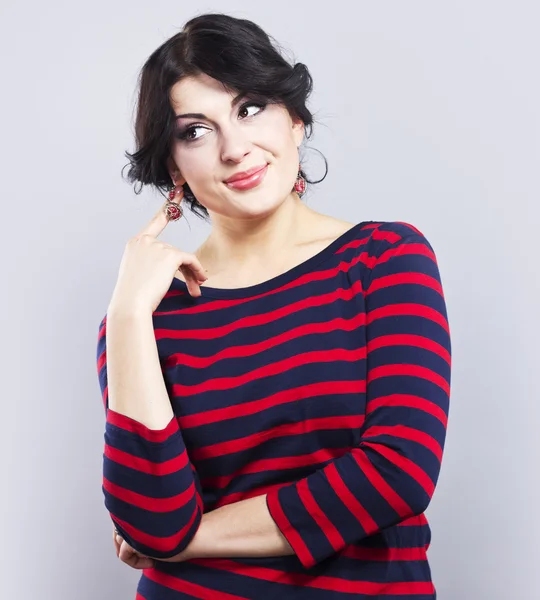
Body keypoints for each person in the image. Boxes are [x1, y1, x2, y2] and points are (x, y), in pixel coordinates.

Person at [96, 12, 452, 599]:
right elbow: (148, 518)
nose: (235, 148)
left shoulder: (384, 258)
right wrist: (129, 314)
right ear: (173, 168)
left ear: (296, 119)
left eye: (250, 107)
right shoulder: (144, 317)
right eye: (196, 131)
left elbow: (397, 474)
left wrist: (186, 539)